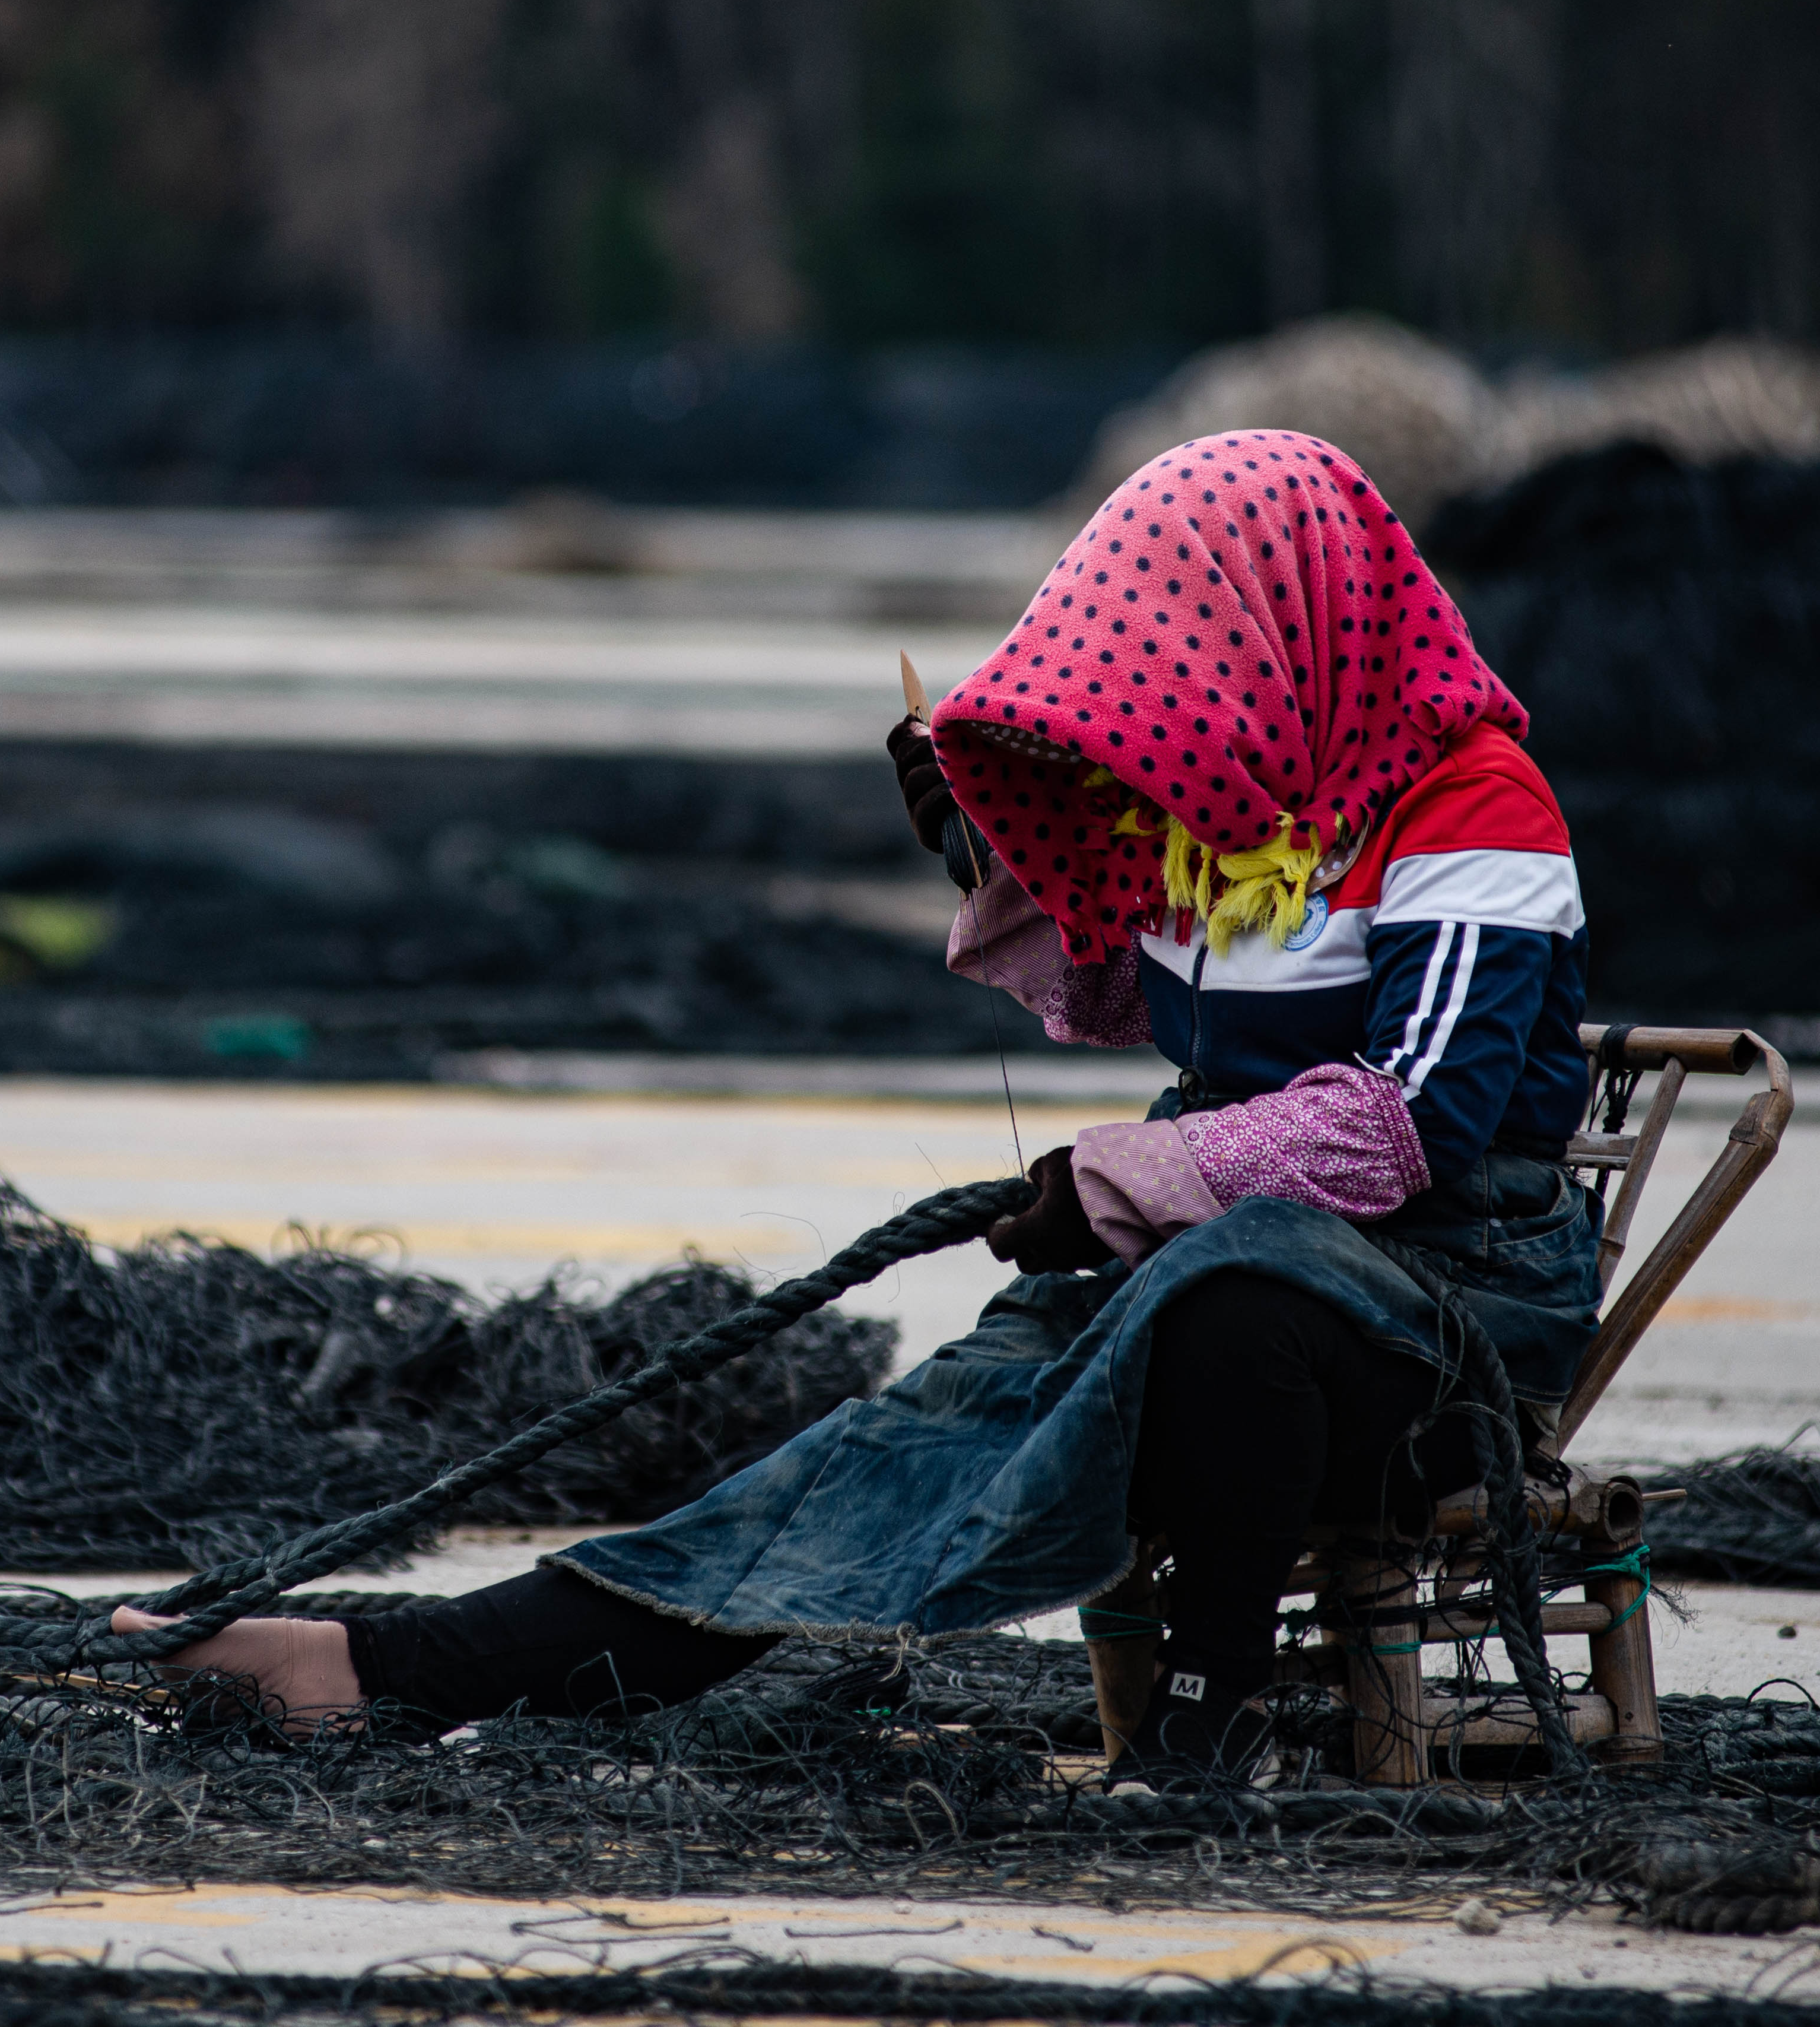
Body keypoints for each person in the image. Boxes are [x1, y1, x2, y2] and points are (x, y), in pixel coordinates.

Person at [116, 431, 1603, 1784]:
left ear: (1293, 623)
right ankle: (380, 1669)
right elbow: (1124, 1008)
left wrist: (1126, 1181)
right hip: (1221, 1285)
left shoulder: (1474, 807)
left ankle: (1206, 1719)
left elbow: (1418, 1119)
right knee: (866, 1463)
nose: (1182, 689)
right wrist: (992, 852)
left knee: (1234, 1298)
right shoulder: (1230, 816)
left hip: (1447, 1331)